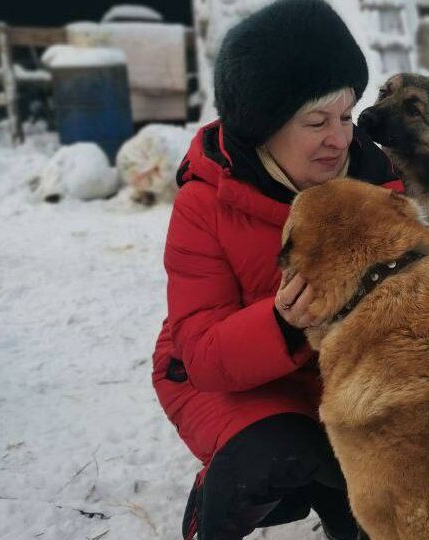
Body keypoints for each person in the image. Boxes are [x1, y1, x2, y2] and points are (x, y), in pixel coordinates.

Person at [150, 1, 403, 539]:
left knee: (386, 489)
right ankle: (214, 509)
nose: (340, 139)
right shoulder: (204, 204)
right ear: (263, 127)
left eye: (345, 116)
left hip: (338, 384)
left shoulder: (381, 184)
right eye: (316, 122)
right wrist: (286, 322)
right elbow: (203, 355)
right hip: (227, 384)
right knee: (275, 456)